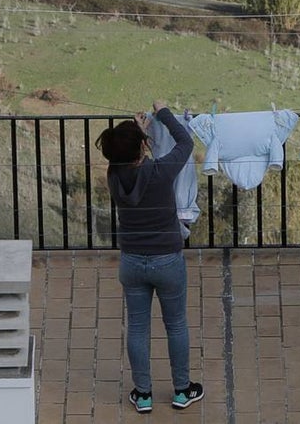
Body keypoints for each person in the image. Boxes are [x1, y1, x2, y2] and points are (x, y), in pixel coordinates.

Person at [99, 100, 204, 414]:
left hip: (132, 262)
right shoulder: (161, 171)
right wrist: (163, 113)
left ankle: (143, 395)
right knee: (176, 325)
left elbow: (123, 159)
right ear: (144, 147)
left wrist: (138, 133)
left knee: (137, 328)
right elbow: (186, 141)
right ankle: (182, 391)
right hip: (167, 260)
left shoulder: (114, 177)